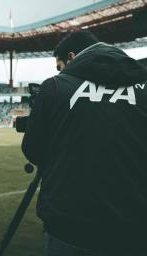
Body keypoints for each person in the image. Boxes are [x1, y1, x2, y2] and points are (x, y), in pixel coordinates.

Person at [21, 31, 147, 256]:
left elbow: (33, 150)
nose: (60, 72)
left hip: (71, 229)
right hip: (136, 229)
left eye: (60, 66)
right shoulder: (143, 86)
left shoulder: (56, 86)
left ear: (71, 57)